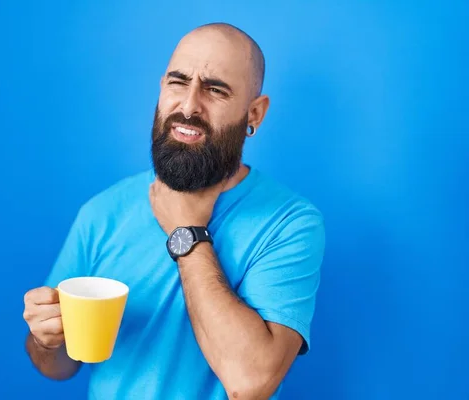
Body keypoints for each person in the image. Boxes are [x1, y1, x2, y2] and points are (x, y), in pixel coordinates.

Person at [22, 22, 325, 400]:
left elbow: (250, 382)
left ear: (255, 114)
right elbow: (59, 367)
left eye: (215, 89)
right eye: (178, 82)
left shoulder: (290, 223)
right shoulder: (102, 212)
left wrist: (186, 230)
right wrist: (45, 341)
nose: (188, 105)